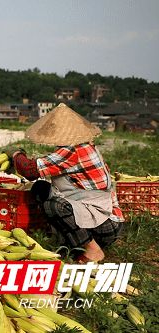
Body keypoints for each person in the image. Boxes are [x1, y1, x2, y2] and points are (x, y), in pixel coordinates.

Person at [8, 103, 124, 263]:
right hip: (95, 214)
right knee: (41, 188)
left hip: (105, 224)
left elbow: (29, 171)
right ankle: (64, 237)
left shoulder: (73, 151)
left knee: (54, 205)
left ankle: (92, 250)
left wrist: (15, 154)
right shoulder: (84, 146)